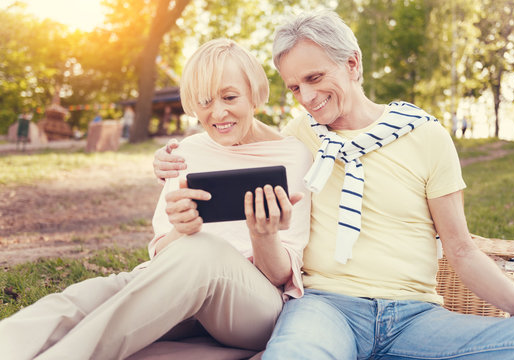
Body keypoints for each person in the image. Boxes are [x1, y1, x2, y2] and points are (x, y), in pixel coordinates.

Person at [154, 11, 514, 359]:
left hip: (415, 315)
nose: (307, 97)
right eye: (294, 88)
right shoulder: (296, 139)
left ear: (352, 63)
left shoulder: (426, 136)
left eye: (315, 78)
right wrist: (167, 158)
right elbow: (233, 138)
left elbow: (461, 250)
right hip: (324, 308)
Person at [0, 38, 312, 360]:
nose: (218, 112)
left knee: (204, 251)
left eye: (230, 97)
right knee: (83, 299)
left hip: (251, 308)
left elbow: (279, 276)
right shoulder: (186, 153)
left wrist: (264, 235)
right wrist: (181, 229)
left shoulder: (291, 156)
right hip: (177, 286)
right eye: (204, 101)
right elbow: (163, 252)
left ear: (254, 94)